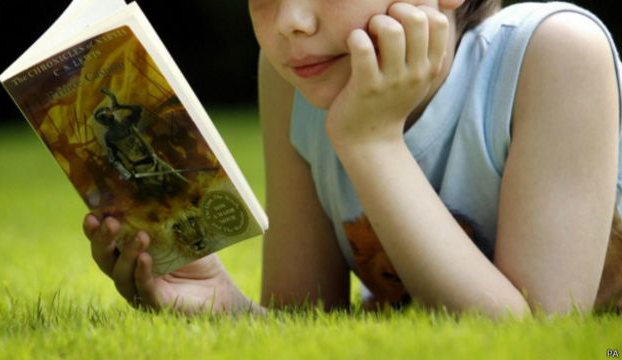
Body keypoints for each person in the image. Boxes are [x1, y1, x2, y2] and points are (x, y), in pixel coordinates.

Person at [83, 0, 622, 318]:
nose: (290, 21)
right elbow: (308, 319)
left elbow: (537, 340)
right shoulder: (294, 76)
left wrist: (371, 141)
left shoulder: (556, 53)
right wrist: (220, 300)